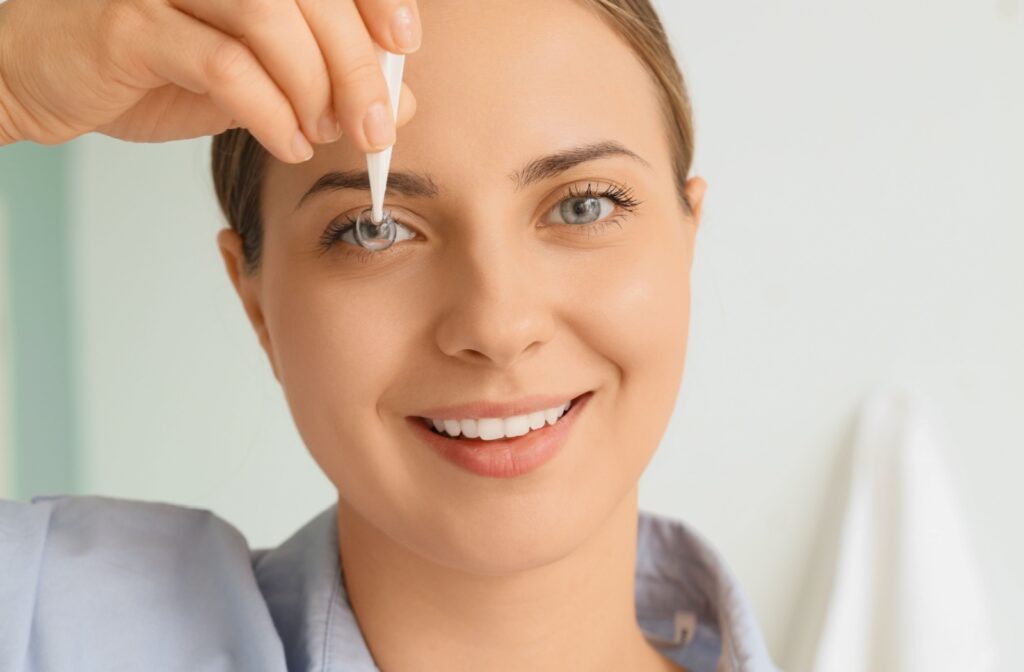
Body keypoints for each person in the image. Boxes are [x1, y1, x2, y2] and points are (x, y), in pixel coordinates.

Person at [0, 0, 780, 670]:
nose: (497, 327)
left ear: (688, 238)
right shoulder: (47, 627)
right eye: (374, 229)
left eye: (583, 205)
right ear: (257, 304)